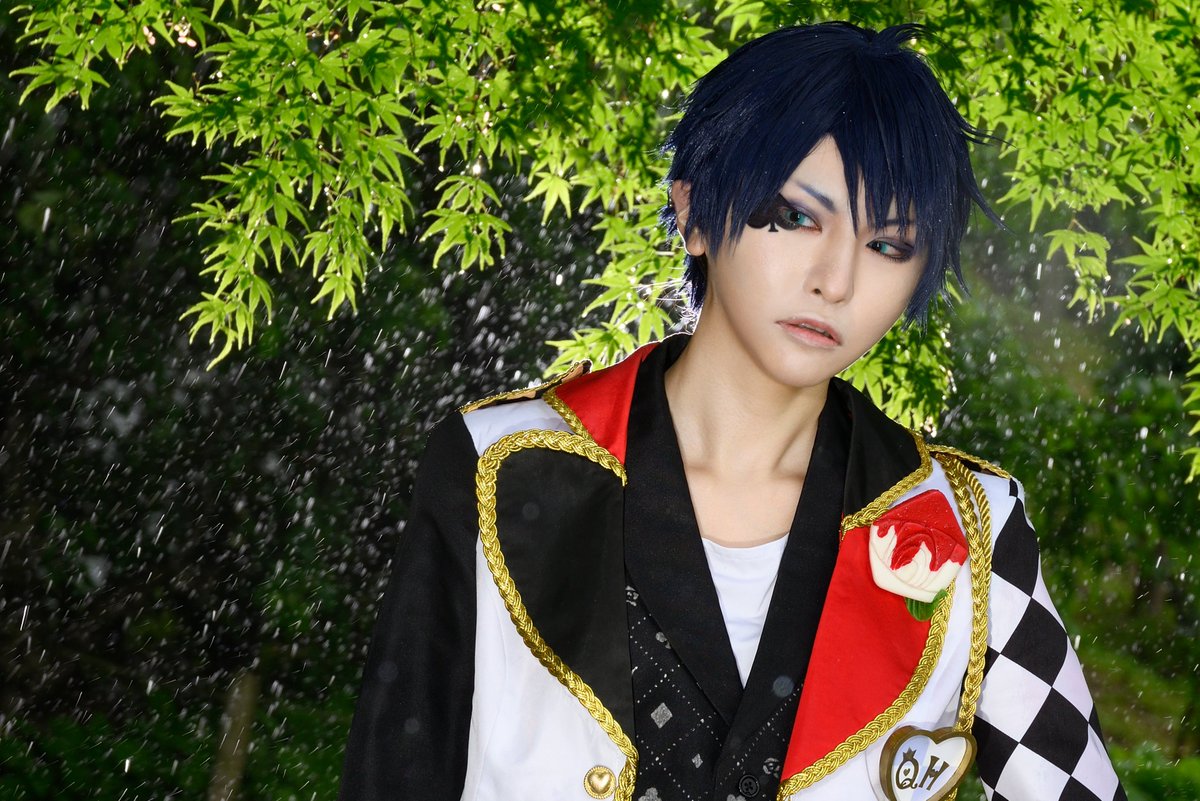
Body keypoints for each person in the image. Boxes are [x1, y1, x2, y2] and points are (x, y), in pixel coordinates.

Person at [339, 21, 1126, 801]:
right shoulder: (496, 461)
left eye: (888, 245)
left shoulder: (969, 523)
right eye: (795, 216)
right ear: (693, 212)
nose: (836, 280)